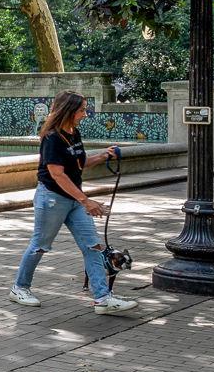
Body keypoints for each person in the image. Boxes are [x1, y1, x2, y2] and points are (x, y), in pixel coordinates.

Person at [12, 91, 134, 314]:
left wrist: (105, 156)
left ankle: (103, 299)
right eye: (81, 110)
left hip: (75, 199)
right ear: (68, 111)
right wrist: (86, 201)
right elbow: (57, 174)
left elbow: (80, 163)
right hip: (52, 199)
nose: (85, 114)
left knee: (93, 246)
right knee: (40, 245)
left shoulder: (73, 133)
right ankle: (20, 288)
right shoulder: (52, 137)